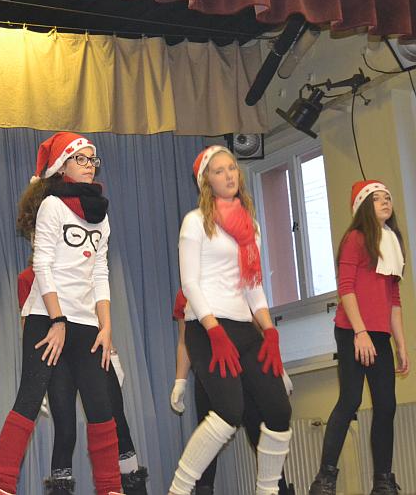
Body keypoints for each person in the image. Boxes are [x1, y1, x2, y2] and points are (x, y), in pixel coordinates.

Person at [0, 132, 123, 495]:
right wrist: (57, 319)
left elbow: (100, 272)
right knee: (30, 398)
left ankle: (111, 487)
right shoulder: (52, 205)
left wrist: (106, 326)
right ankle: (1, 485)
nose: (90, 165)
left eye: (93, 159)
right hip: (46, 318)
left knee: (100, 407)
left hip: (88, 322)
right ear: (63, 165)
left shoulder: (101, 214)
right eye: (81, 158)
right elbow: (42, 265)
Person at [168, 145, 292, 495]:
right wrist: (213, 330)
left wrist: (270, 332)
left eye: (232, 168)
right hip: (206, 327)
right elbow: (190, 284)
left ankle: (268, 491)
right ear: (206, 180)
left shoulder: (250, 226)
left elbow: (253, 286)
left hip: (243, 326)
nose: (229, 175)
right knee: (228, 412)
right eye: (219, 170)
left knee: (278, 411)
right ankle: (179, 490)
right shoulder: (195, 222)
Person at [308, 180, 408, 495]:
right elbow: (346, 287)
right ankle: (325, 479)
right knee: (350, 400)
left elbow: (394, 300)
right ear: (364, 206)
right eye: (377, 198)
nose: (385, 201)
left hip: (379, 334)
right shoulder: (355, 238)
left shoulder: (392, 242)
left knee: (386, 405)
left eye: (387, 197)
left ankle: (383, 481)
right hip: (352, 330)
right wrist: (360, 332)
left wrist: (400, 344)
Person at [16, 268, 148, 495]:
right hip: (58, 358)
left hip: (91, 349)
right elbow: (29, 324)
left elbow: (95, 309)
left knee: (116, 423)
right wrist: (38, 377)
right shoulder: (30, 277)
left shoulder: (82, 263)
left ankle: (134, 490)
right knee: (65, 432)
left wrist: (111, 351)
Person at [171, 289, 294, 495]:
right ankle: (195, 490)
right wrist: (180, 381)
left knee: (263, 431)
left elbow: (255, 328)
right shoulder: (187, 292)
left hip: (246, 372)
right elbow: (184, 341)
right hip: (212, 372)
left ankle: (275, 490)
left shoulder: (233, 282)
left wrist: (278, 371)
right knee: (208, 436)